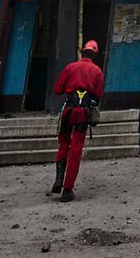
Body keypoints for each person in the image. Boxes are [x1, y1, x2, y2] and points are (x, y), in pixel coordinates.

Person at [49, 39, 104, 202]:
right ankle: (67, 189)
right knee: (76, 149)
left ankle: (58, 180)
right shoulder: (97, 71)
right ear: (94, 54)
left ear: (82, 52)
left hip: (68, 111)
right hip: (83, 113)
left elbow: (57, 89)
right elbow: (98, 95)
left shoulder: (70, 67)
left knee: (63, 144)